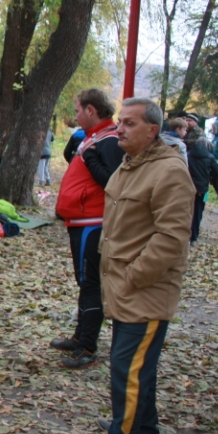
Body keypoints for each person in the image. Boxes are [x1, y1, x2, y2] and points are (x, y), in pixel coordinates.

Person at [78, 97, 194, 434]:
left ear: (152, 131)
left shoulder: (170, 172)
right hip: (126, 289)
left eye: (129, 124)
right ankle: (142, 429)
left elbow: (172, 237)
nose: (120, 129)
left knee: (125, 370)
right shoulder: (132, 165)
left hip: (144, 291)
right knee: (138, 368)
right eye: (120, 122)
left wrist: (133, 277)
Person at [50, 89, 125, 369]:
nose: (76, 115)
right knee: (86, 282)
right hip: (81, 221)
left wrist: (91, 159)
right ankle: (80, 337)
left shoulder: (108, 139)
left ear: (91, 110)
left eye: (78, 110)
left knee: (91, 283)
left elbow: (113, 182)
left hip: (92, 223)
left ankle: (87, 346)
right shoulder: (95, 137)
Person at [183, 120, 215, 244]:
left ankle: (185, 234)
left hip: (189, 187)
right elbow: (217, 174)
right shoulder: (210, 158)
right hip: (202, 189)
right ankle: (194, 236)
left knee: (187, 211)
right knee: (198, 212)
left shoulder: (188, 156)